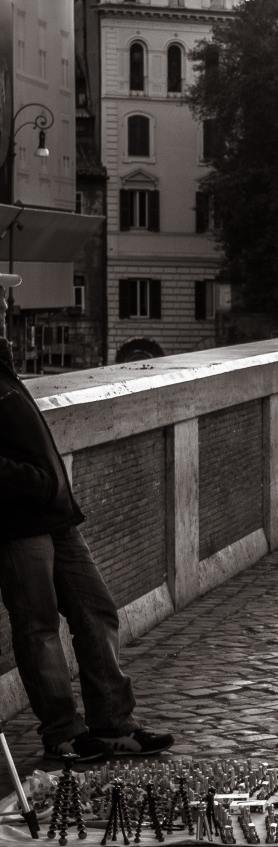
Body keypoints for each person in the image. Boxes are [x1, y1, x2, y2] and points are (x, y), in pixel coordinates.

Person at [0, 271, 174, 762]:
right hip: (17, 521)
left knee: (96, 610)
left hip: (54, 515)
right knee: (37, 627)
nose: (5, 309)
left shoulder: (1, 365)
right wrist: (36, 481)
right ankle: (62, 731)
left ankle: (115, 723)